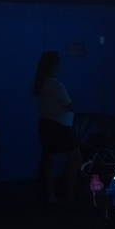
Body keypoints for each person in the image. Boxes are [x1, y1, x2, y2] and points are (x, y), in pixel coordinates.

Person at [33, 50, 77, 203]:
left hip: (45, 125)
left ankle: (51, 195)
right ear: (53, 65)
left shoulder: (41, 83)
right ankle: (69, 194)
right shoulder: (56, 85)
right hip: (60, 127)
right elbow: (69, 105)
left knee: (49, 160)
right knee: (74, 158)